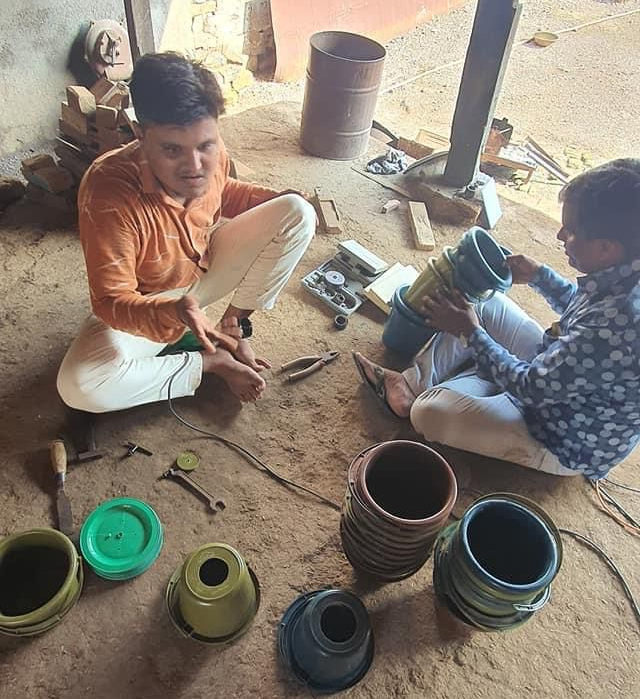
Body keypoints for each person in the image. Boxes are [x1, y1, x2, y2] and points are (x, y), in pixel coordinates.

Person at [57, 52, 316, 413]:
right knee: (81, 385)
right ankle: (210, 361)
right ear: (140, 135)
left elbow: (221, 190)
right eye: (172, 150)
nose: (195, 167)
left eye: (205, 146)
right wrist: (175, 311)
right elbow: (111, 301)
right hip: (153, 303)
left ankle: (233, 328)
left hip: (206, 268)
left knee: (297, 213)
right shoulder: (108, 193)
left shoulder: (210, 149)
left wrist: (272, 199)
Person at [354, 159, 640, 479]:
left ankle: (468, 379)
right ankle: (412, 385)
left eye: (570, 232)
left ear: (606, 248)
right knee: (485, 301)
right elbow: (583, 311)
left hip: (559, 434)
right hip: (557, 372)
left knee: (429, 414)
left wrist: (471, 334)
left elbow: (531, 387)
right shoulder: (626, 270)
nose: (560, 235)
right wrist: (540, 276)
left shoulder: (618, 324)